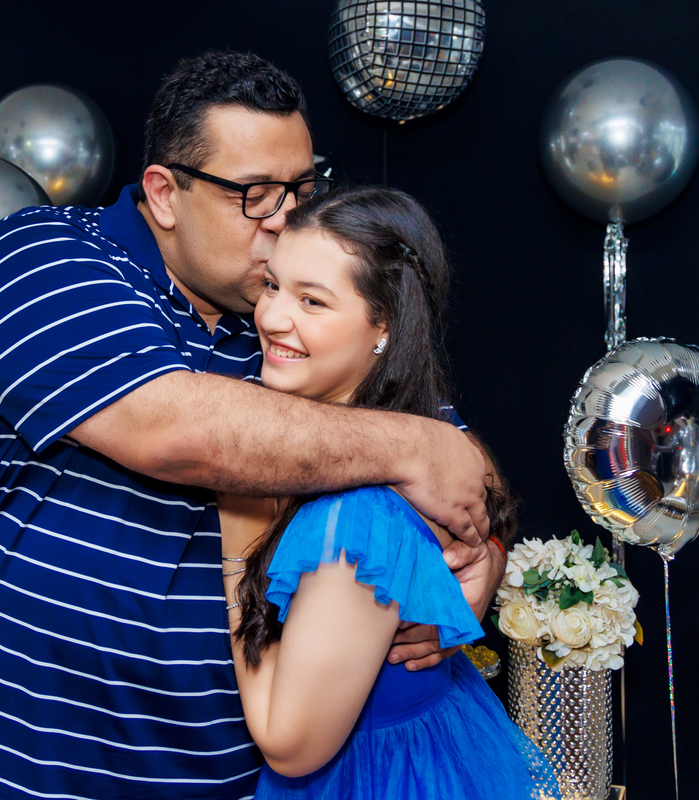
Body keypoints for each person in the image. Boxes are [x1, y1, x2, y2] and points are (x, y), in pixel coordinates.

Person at [0, 51, 505, 800]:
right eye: (256, 195)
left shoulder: (285, 313)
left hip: (241, 781)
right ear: (165, 193)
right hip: (42, 775)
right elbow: (169, 427)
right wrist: (415, 447)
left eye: (303, 187)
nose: (288, 218)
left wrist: (478, 560)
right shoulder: (42, 257)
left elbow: (458, 460)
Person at [219, 186, 553, 798]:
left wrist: (239, 524)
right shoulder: (415, 434)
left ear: (384, 326)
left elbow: (290, 745)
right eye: (272, 286)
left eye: (312, 300)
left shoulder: (358, 518)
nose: (271, 317)